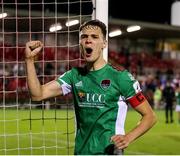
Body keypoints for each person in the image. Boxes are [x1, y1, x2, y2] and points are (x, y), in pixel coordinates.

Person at [25, 19, 157, 155]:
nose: (88, 40)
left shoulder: (120, 77)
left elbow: (150, 116)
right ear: (80, 43)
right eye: (84, 37)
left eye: (94, 37)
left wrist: (128, 137)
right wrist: (29, 60)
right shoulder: (74, 75)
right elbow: (37, 94)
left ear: (104, 44)